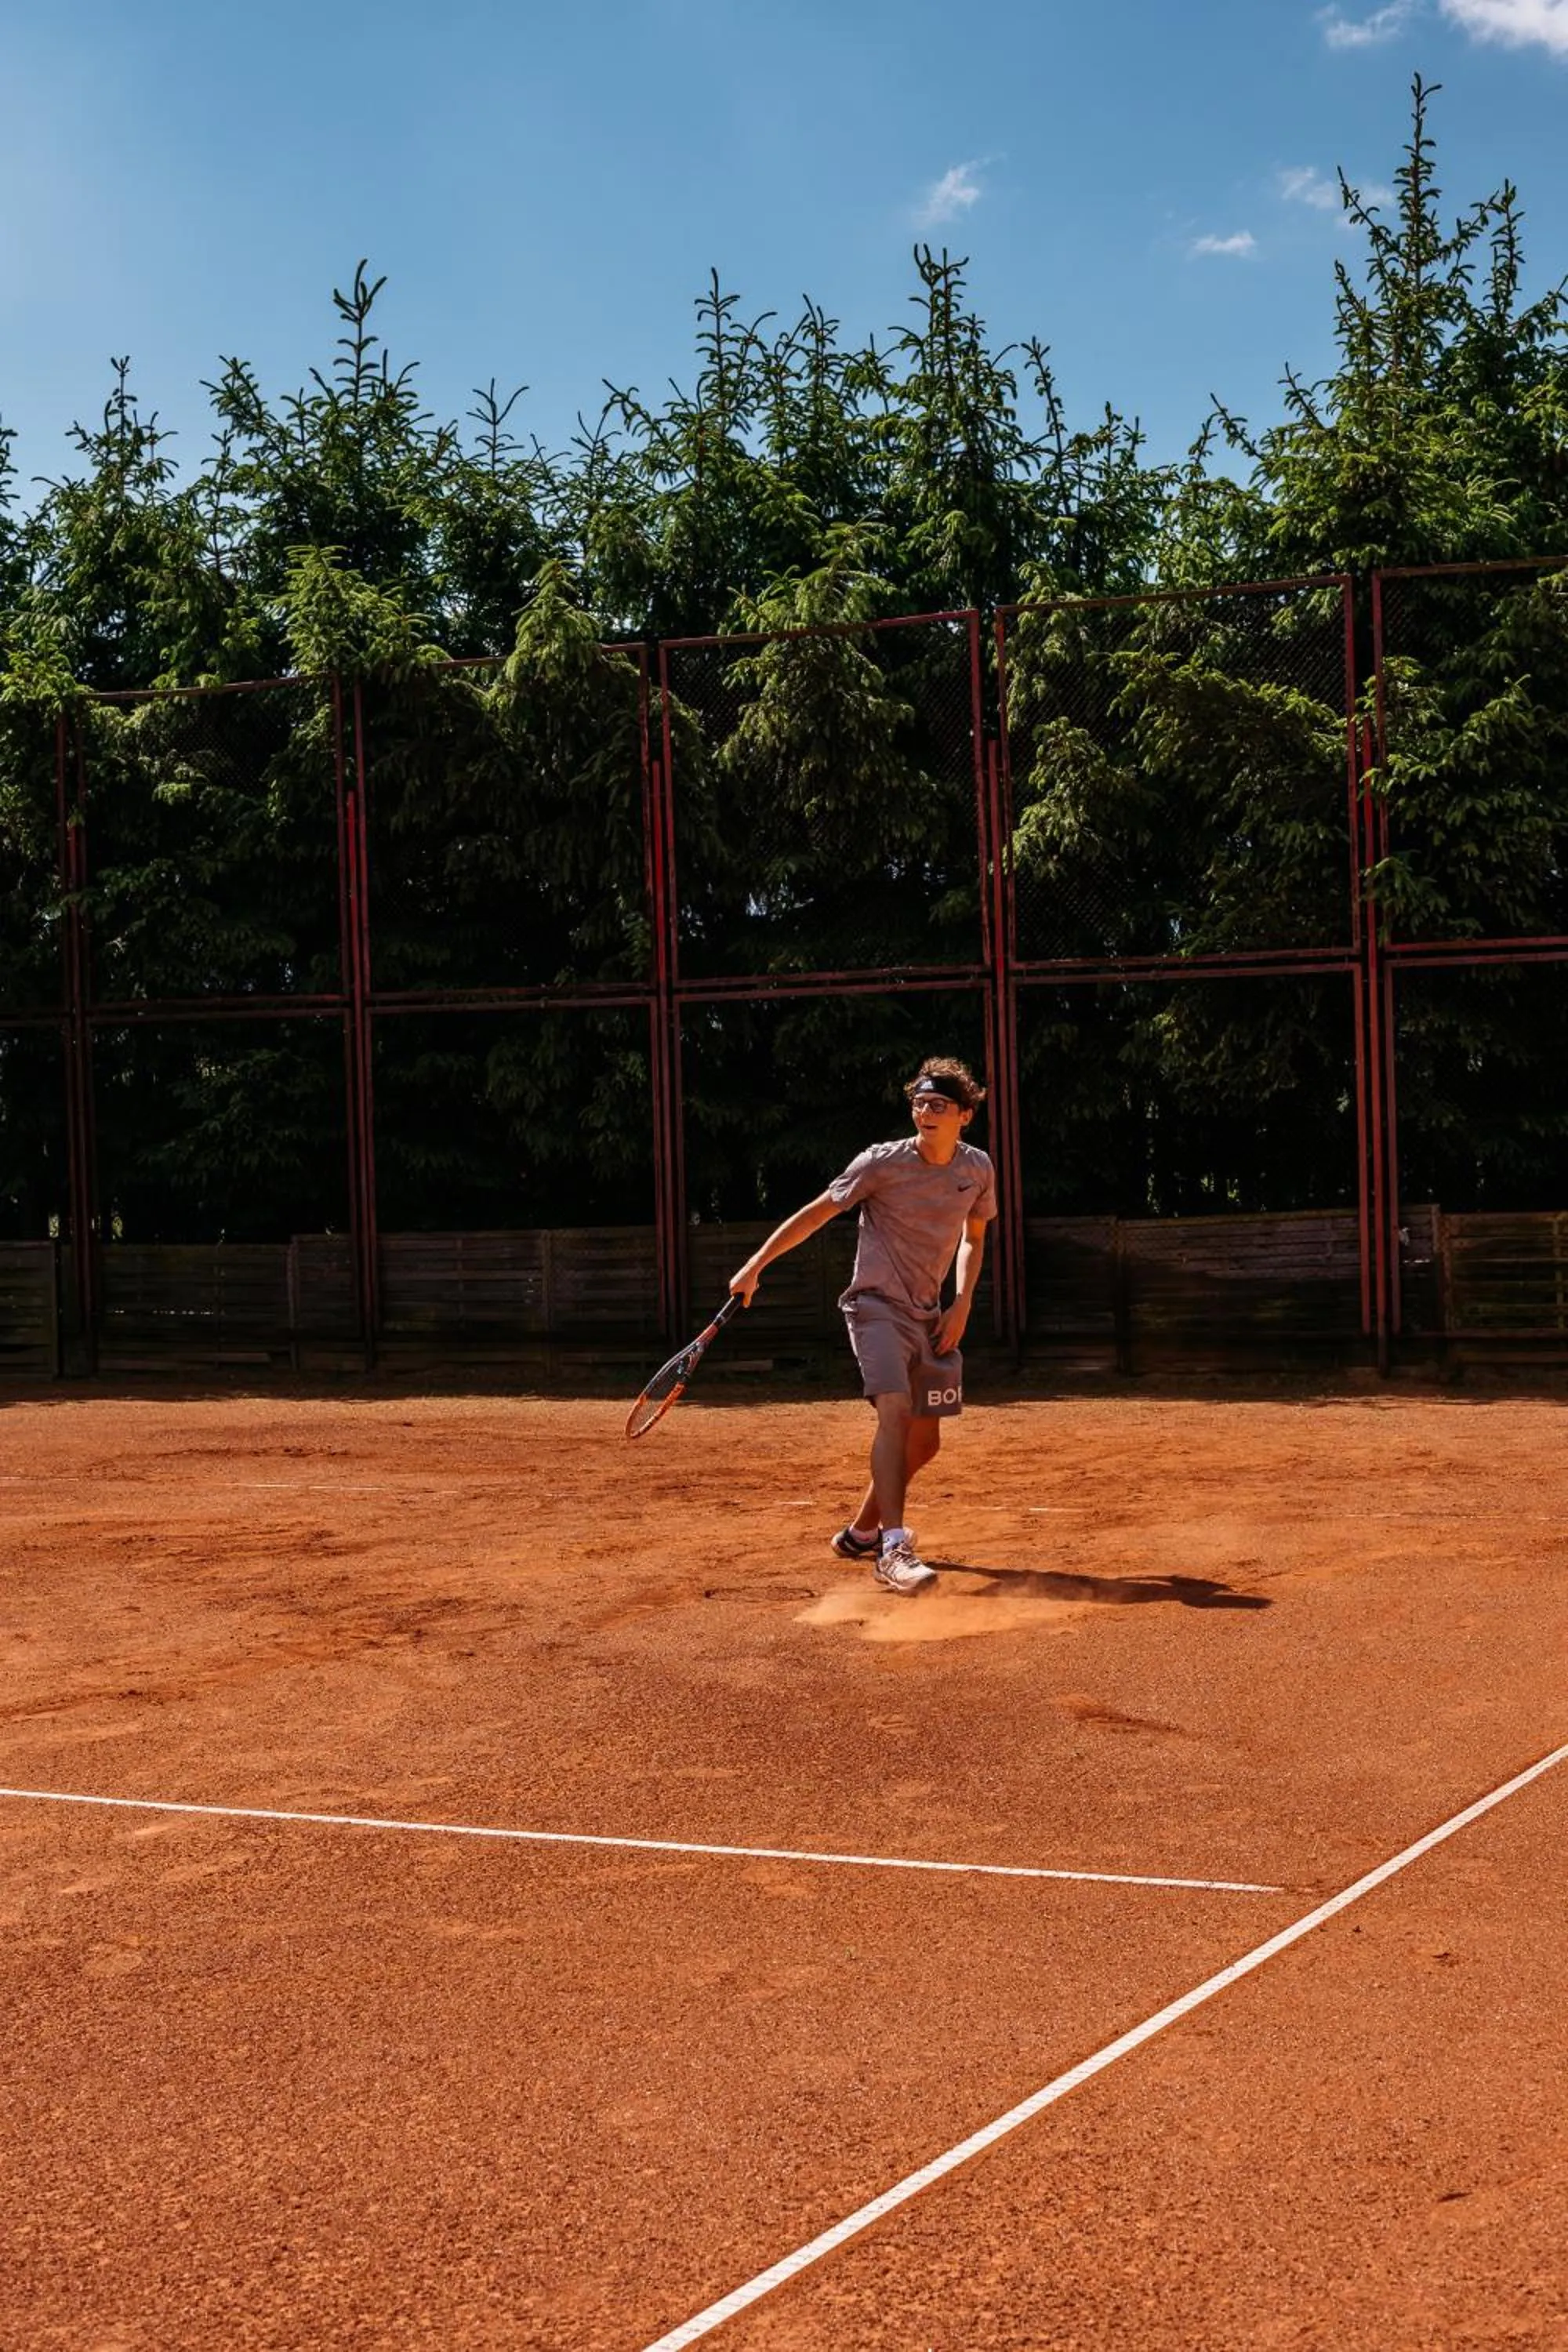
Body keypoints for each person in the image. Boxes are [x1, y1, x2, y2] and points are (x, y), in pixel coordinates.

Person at [728, 1056, 997, 1595]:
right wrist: (756, 1265)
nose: (925, 1112)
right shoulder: (880, 1163)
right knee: (894, 1412)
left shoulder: (977, 1169)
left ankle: (861, 1533)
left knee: (925, 1444)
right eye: (919, 1103)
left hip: (930, 1316)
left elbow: (974, 1237)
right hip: (874, 1307)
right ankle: (892, 1549)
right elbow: (816, 1212)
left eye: (938, 1105)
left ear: (964, 1115)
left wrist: (963, 1301)